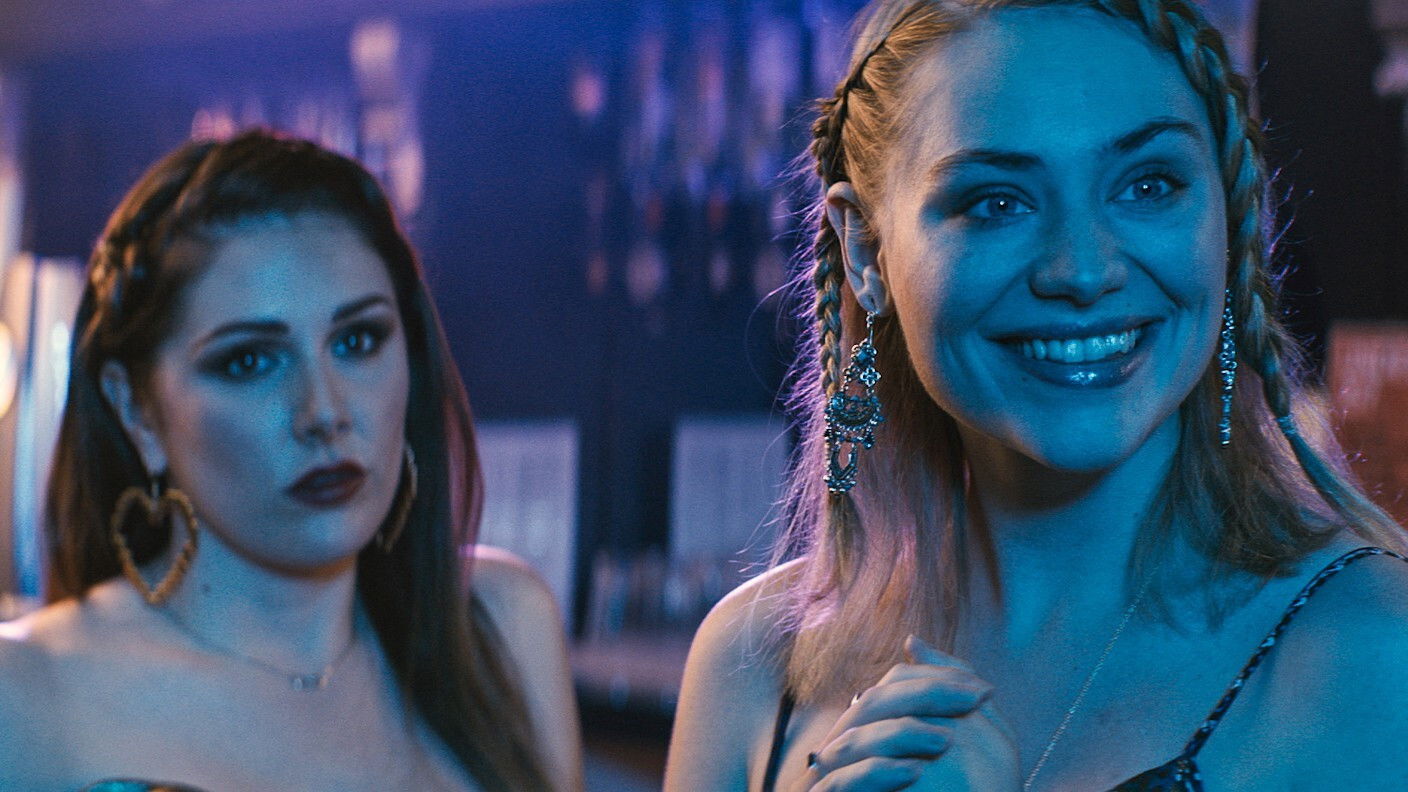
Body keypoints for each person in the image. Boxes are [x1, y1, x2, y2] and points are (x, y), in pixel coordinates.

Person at [665, 1, 1408, 790]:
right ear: (864, 252)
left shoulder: (1376, 656)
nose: (1082, 271)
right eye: (996, 202)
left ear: (1227, 217)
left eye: (1149, 184)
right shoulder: (752, 671)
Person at [0, 130, 582, 791]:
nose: (324, 411)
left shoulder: (499, 629)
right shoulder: (26, 692)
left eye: (358, 341)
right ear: (137, 410)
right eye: (250, 361)